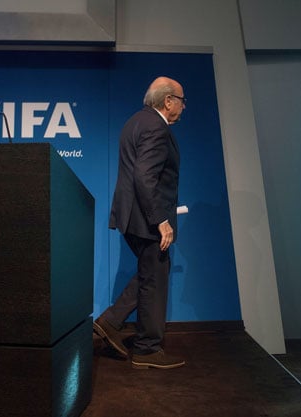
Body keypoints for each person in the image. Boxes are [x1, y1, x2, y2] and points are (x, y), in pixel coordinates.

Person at [94, 76, 186, 369]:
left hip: (129, 214)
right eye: (182, 101)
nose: (184, 107)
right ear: (168, 100)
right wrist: (160, 219)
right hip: (146, 217)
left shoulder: (135, 121)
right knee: (155, 276)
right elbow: (145, 176)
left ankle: (111, 322)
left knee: (152, 273)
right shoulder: (157, 128)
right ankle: (147, 349)